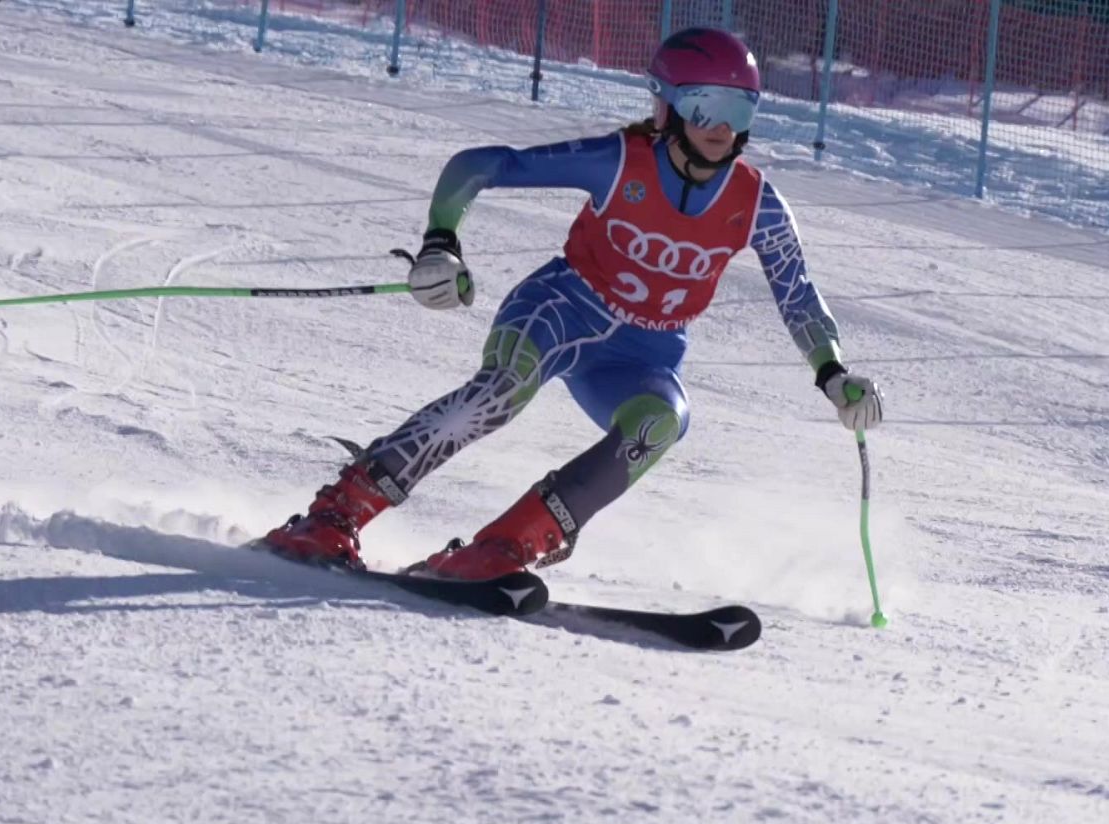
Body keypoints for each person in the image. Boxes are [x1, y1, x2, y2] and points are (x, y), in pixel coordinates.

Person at [263, 26, 883, 580]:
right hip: (562, 308)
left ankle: (506, 546)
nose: (721, 126)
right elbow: (478, 165)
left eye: (739, 106)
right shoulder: (618, 162)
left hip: (643, 353)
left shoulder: (758, 204)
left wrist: (833, 374)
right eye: (704, 105)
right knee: (503, 389)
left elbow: (797, 293)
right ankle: (334, 513)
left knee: (662, 421)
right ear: (666, 107)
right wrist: (441, 243)